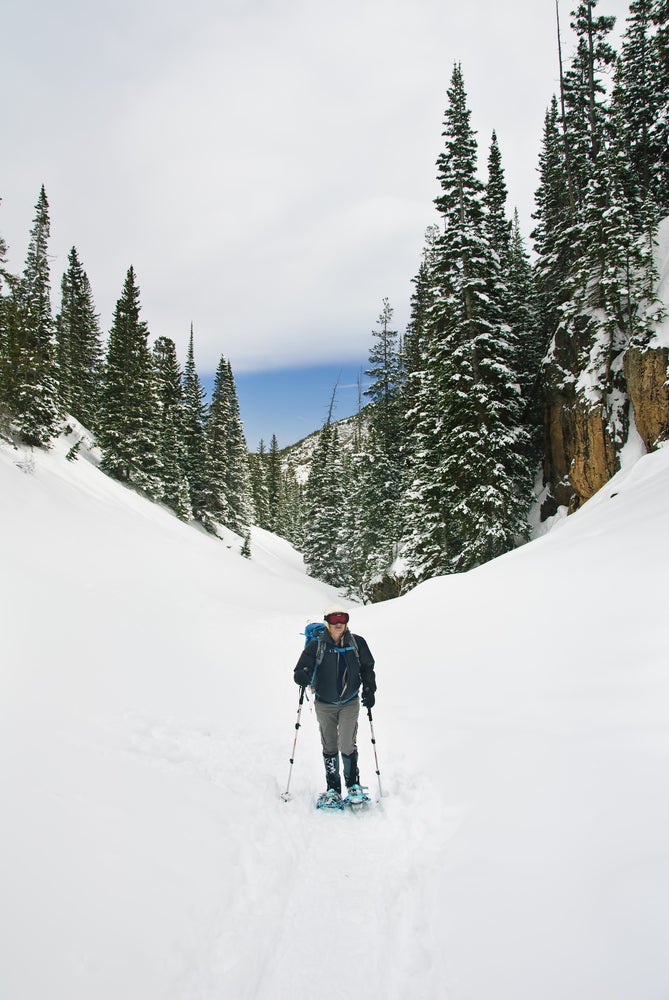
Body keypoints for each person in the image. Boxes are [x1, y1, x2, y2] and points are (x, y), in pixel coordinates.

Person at [294, 604, 376, 803]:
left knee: (347, 743)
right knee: (329, 745)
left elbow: (367, 668)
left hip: (350, 702)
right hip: (325, 703)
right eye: (334, 619)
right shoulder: (317, 645)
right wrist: (302, 675)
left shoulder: (357, 643)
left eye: (343, 618)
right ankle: (333, 788)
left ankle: (353, 784)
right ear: (327, 622)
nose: (339, 623)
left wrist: (369, 689)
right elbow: (300, 670)